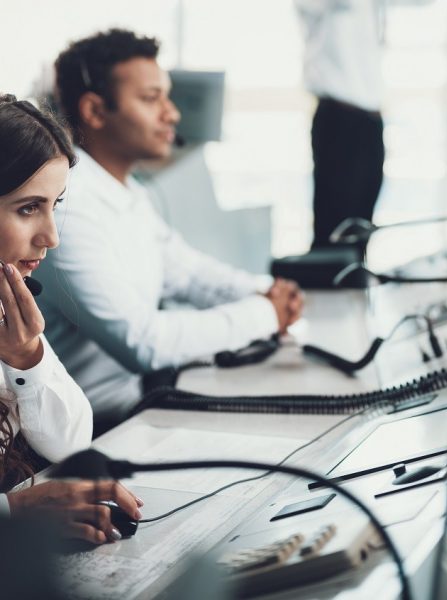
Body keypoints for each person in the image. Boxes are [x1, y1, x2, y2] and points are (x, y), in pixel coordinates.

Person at [35, 29, 303, 429]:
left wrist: (264, 291)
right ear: (94, 111)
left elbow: (187, 272)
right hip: (96, 430)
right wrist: (265, 313)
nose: (172, 114)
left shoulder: (124, 191)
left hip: (140, 404)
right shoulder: (66, 205)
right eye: (150, 98)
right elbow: (143, 343)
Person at [0, 93, 142, 544]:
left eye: (54, 204)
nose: (51, 238)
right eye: (28, 208)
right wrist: (14, 510)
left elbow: (70, 442)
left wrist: (28, 359)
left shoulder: (8, 310)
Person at [294, 0, 386, 249]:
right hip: (339, 118)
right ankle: (327, 283)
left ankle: (354, 284)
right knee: (335, 230)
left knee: (361, 228)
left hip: (371, 120)